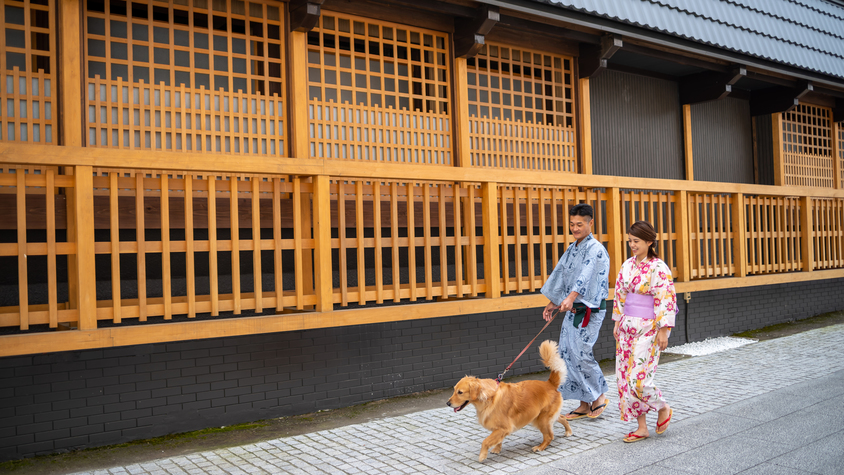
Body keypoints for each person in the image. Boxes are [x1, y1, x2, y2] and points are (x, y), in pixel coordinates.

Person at [540, 203, 610, 421]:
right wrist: (554, 301)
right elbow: (561, 273)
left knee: (582, 352)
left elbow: (586, 275)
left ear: (591, 223)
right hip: (571, 309)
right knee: (568, 354)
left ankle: (599, 396)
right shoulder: (572, 249)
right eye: (572, 224)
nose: (575, 228)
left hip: (589, 310)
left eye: (579, 224)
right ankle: (583, 402)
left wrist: (570, 297)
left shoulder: (596, 249)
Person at [612, 220, 676, 443]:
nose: (632, 245)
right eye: (630, 241)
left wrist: (664, 329)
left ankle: (663, 406)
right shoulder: (627, 265)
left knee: (639, 380)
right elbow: (620, 294)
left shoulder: (659, 267)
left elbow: (665, 298)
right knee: (624, 379)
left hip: (649, 329)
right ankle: (641, 427)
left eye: (636, 241)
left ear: (649, 241)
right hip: (627, 328)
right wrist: (617, 321)